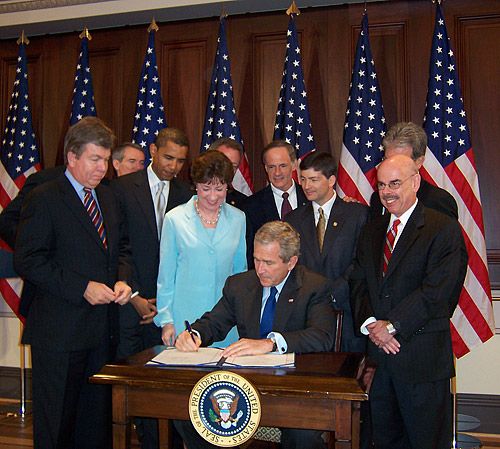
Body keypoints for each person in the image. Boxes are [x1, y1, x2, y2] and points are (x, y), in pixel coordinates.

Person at [14, 117, 133, 449]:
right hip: (59, 332)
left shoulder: (108, 197)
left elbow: (121, 248)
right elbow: (30, 260)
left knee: (95, 425)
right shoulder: (45, 197)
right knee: (57, 425)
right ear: (72, 157)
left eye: (107, 160)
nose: (103, 168)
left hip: (101, 331)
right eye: (95, 159)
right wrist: (82, 287)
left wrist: (122, 280)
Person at [175, 220, 335, 449]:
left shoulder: (314, 286)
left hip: (294, 390)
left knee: (303, 435)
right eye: (257, 259)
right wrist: (195, 334)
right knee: (190, 416)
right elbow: (215, 321)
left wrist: (271, 343)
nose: (260, 269)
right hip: (244, 386)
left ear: (291, 262)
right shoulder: (240, 285)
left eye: (268, 262)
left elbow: (322, 337)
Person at [350, 154, 467, 449]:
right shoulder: (373, 229)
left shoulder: (442, 228)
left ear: (415, 182)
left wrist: (393, 326)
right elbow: (358, 281)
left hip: (421, 360)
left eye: (395, 183)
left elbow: (439, 292)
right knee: (382, 441)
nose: (387, 192)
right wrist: (371, 325)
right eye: (382, 185)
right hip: (379, 361)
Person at [111, 128, 192, 449]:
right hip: (132, 303)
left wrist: (167, 300)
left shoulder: (186, 193)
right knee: (137, 385)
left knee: (169, 385)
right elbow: (118, 248)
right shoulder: (120, 189)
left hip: (171, 307)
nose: (173, 166)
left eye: (181, 161)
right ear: (153, 150)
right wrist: (134, 296)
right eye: (169, 157)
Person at [154, 150, 247, 348]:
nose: (213, 197)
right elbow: (166, 277)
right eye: (206, 188)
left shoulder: (239, 218)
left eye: (220, 189)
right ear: (195, 185)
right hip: (184, 318)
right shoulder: (175, 219)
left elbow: (241, 274)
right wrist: (166, 321)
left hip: (226, 322)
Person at [285, 151, 368, 352]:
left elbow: (362, 261)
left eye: (313, 179)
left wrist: (334, 290)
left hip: (347, 311)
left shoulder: (357, 214)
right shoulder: (293, 219)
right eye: (303, 179)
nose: (306, 186)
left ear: (331, 180)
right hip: (307, 316)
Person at [369, 121, 458, 220]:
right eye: (387, 159)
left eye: (399, 161)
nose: (391, 166)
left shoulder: (439, 201)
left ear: (419, 162)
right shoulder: (377, 199)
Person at [242, 140, 307, 266]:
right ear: (266, 168)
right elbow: (250, 253)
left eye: (283, 166)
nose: (277, 173)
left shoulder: (310, 198)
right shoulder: (251, 206)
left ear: (294, 165)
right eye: (272, 167)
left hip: (307, 279)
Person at [207, 137, 248, 209]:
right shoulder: (188, 197)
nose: (227, 169)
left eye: (233, 166)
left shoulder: (244, 203)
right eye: (222, 163)